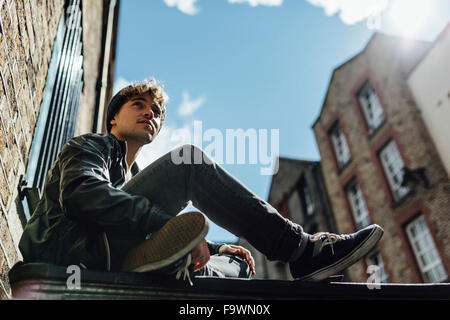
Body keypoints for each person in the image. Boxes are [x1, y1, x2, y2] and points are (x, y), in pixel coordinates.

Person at [19, 79, 383, 284]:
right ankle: (301, 250)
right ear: (113, 119)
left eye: (157, 111)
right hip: (71, 250)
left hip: (116, 253)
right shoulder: (93, 145)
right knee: (189, 161)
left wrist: (214, 247)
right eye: (139, 106)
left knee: (237, 265)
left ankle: (211, 268)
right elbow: (83, 194)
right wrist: (169, 226)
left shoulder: (133, 179)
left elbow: (139, 212)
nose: (150, 113)